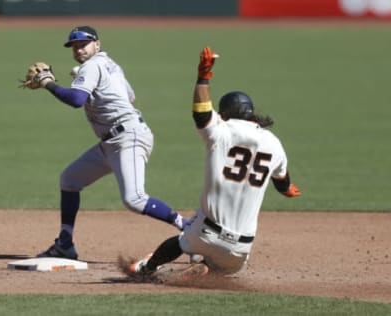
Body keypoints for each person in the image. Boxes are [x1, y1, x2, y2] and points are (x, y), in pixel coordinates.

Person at [127, 46, 301, 277]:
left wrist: (203, 76)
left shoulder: (222, 131)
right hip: (240, 252)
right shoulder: (274, 143)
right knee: (219, 266)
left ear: (225, 113)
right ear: (250, 114)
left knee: (183, 240)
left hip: (205, 235)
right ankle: (207, 267)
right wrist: (287, 188)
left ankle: (146, 269)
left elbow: (201, 112)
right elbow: (282, 182)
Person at [30, 26, 188, 260]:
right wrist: (89, 82)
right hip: (112, 142)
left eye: (83, 44)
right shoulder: (111, 65)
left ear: (97, 44)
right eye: (74, 46)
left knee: (134, 199)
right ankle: (64, 244)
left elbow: (75, 99)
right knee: (70, 180)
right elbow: (129, 96)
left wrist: (48, 84)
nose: (79, 49)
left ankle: (189, 228)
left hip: (128, 137)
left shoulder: (92, 66)